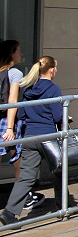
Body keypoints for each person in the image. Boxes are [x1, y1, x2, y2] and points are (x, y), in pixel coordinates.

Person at [1, 56, 67, 224]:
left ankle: (9, 212)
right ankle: (62, 207)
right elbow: (58, 116)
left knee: (26, 177)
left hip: (30, 137)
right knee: (59, 171)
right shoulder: (54, 89)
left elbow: (22, 114)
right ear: (52, 70)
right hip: (48, 137)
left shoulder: (29, 90)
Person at [0, 40, 45, 212]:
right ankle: (23, 198)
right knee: (18, 159)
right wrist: (10, 128)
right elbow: (12, 101)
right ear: (11, 53)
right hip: (7, 121)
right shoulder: (15, 73)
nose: (21, 54)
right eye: (18, 51)